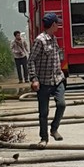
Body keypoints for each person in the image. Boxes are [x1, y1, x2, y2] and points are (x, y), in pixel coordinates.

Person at [28, 13, 66, 146]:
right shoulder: (40, 40)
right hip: (43, 82)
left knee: (61, 104)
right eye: (57, 23)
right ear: (53, 24)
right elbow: (31, 60)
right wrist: (34, 79)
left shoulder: (53, 38)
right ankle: (44, 138)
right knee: (43, 112)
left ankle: (54, 129)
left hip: (57, 79)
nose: (59, 25)